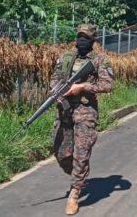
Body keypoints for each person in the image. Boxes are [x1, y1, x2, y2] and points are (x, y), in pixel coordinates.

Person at [49, 23, 113, 215]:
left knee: (81, 152)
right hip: (64, 110)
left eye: (86, 37)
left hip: (85, 112)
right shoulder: (66, 56)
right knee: (59, 150)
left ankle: (75, 192)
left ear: (92, 40)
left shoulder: (100, 59)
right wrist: (56, 91)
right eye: (80, 36)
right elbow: (55, 77)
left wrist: (84, 87)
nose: (82, 40)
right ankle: (80, 174)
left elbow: (107, 85)